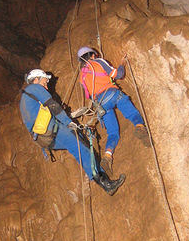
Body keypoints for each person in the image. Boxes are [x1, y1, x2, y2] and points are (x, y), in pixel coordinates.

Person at [20, 69, 125, 195]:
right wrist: (67, 121)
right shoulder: (34, 88)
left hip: (44, 138)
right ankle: (106, 184)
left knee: (81, 142)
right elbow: (53, 106)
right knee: (80, 148)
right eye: (44, 81)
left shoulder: (26, 98)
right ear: (36, 79)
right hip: (51, 130)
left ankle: (103, 177)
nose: (46, 85)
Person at [77, 46, 150, 176]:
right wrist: (122, 64)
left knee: (113, 133)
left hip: (100, 104)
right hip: (111, 93)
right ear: (92, 55)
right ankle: (140, 127)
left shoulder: (82, 76)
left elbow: (88, 95)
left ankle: (107, 156)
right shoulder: (98, 62)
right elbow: (118, 74)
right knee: (132, 113)